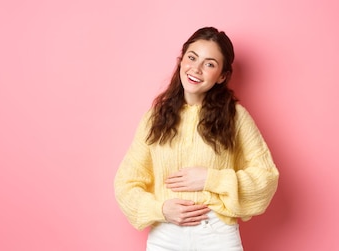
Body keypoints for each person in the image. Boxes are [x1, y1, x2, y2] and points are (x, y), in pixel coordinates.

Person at [114, 27, 279, 251]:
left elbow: (266, 178)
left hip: (216, 234)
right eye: (192, 58)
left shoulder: (235, 117)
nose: (197, 69)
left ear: (222, 76)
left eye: (209, 64)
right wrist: (161, 210)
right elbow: (125, 183)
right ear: (181, 60)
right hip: (166, 235)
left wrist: (211, 179)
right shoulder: (155, 118)